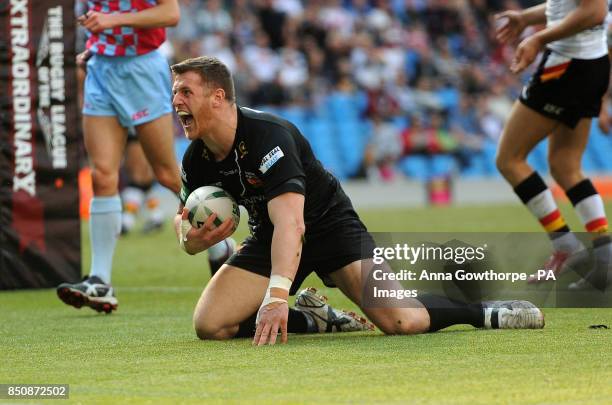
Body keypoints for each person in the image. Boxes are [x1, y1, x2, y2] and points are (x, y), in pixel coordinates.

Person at [171, 56, 544, 345]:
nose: (176, 101)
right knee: (211, 325)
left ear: (218, 97)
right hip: (271, 239)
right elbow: (183, 221)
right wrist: (191, 240)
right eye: (174, 92)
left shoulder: (270, 136)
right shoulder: (195, 159)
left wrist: (276, 294)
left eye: (185, 91)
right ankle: (314, 320)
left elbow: (293, 224)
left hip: (328, 227)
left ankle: (482, 312)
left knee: (402, 322)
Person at [56, 0, 185, 313]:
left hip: (141, 69)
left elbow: (171, 14)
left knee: (166, 174)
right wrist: (93, 46)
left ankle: (220, 244)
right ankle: (101, 280)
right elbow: (95, 20)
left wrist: (110, 21)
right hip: (101, 68)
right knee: (102, 174)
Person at [495, 0, 612, 289]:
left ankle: (565, 244)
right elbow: (568, 4)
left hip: (567, 66)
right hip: (590, 64)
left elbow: (594, 11)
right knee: (565, 166)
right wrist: (525, 17)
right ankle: (606, 259)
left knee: (510, 159)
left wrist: (537, 36)